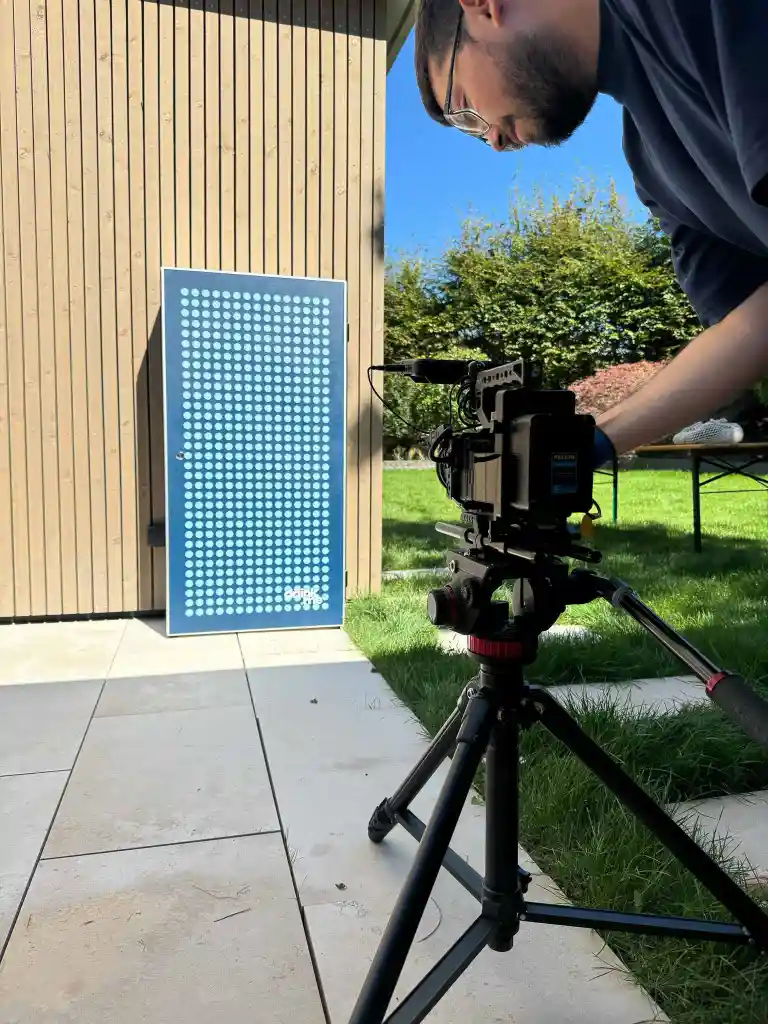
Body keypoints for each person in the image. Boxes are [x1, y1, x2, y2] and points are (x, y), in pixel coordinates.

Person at [413, 0, 768, 465]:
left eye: (462, 110)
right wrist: (589, 443)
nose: (493, 142)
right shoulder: (653, 168)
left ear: (483, 6)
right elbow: (748, 328)